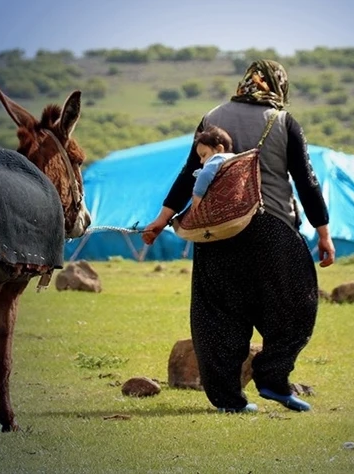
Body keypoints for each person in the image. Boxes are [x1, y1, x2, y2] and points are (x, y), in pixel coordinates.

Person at [142, 59, 336, 414]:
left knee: (217, 313)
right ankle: (273, 379)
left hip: (217, 231)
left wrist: (161, 219)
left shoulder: (211, 117)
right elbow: (307, 181)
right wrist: (324, 233)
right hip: (272, 228)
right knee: (295, 305)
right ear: (278, 87)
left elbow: (190, 174)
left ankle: (229, 399)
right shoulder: (283, 122)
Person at [191, 126, 234, 209]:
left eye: (203, 155)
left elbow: (205, 174)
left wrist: (196, 199)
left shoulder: (218, 158)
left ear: (219, 149)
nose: (201, 161)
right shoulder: (233, 158)